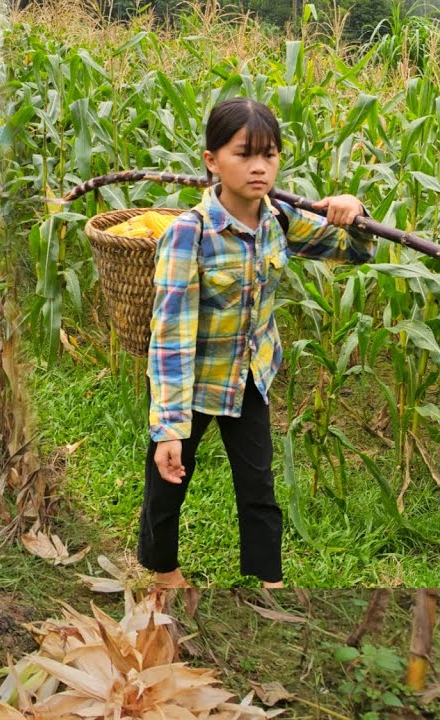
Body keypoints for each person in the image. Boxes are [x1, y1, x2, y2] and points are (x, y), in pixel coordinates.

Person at [142, 97, 375, 589]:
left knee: (258, 487)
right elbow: (170, 339)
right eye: (244, 154)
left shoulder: (280, 219)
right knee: (167, 483)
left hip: (248, 378)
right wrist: (168, 428)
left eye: (268, 155)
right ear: (212, 160)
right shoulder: (191, 233)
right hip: (193, 383)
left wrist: (353, 212)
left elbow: (353, 251)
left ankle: (268, 583)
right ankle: (164, 573)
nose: (258, 167)